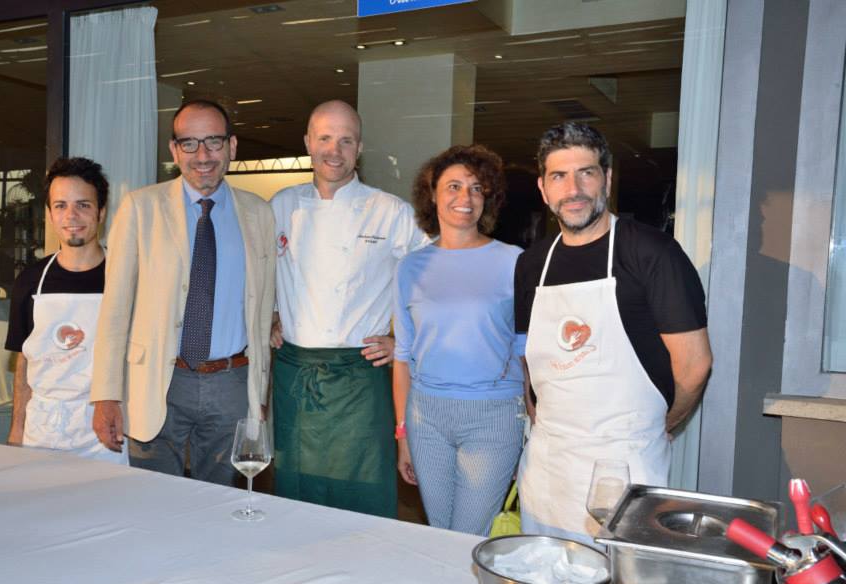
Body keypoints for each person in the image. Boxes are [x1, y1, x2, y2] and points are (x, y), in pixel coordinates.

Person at [514, 122, 713, 544]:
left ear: (606, 177)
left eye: (585, 173)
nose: (573, 189)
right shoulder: (532, 263)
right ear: (543, 189)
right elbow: (529, 359)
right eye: (558, 176)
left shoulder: (652, 252)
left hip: (624, 463)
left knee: (617, 580)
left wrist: (660, 424)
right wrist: (537, 418)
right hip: (548, 468)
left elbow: (695, 365)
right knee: (541, 575)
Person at [90, 99, 275, 484]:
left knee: (220, 500)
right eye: (189, 143)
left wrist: (259, 391)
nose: (202, 155)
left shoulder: (259, 213)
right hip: (157, 382)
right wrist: (106, 395)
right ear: (174, 150)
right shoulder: (140, 208)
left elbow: (265, 303)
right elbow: (115, 309)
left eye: (213, 141)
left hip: (231, 384)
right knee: (152, 499)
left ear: (232, 146)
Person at [269, 100, 428, 517]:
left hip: (359, 377)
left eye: (346, 140)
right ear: (308, 142)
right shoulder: (281, 206)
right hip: (295, 376)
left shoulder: (390, 211)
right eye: (324, 138)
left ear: (359, 148)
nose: (334, 151)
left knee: (362, 493)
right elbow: (259, 275)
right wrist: (269, 315)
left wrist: (404, 341)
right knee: (297, 495)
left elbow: (435, 280)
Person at [392, 145, 526, 535]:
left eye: (476, 187)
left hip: (494, 417)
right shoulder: (410, 266)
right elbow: (403, 356)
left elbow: (527, 351)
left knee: (467, 535)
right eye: (453, 186)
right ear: (432, 195)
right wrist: (402, 434)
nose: (465, 197)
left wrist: (531, 432)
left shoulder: (514, 261)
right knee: (439, 533)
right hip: (426, 418)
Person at [6, 157, 125, 463]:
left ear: (101, 211)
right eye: (60, 206)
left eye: (83, 205)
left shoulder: (124, 277)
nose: (71, 216)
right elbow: (23, 361)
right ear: (49, 214)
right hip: (42, 427)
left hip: (104, 429)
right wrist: (17, 429)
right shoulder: (30, 280)